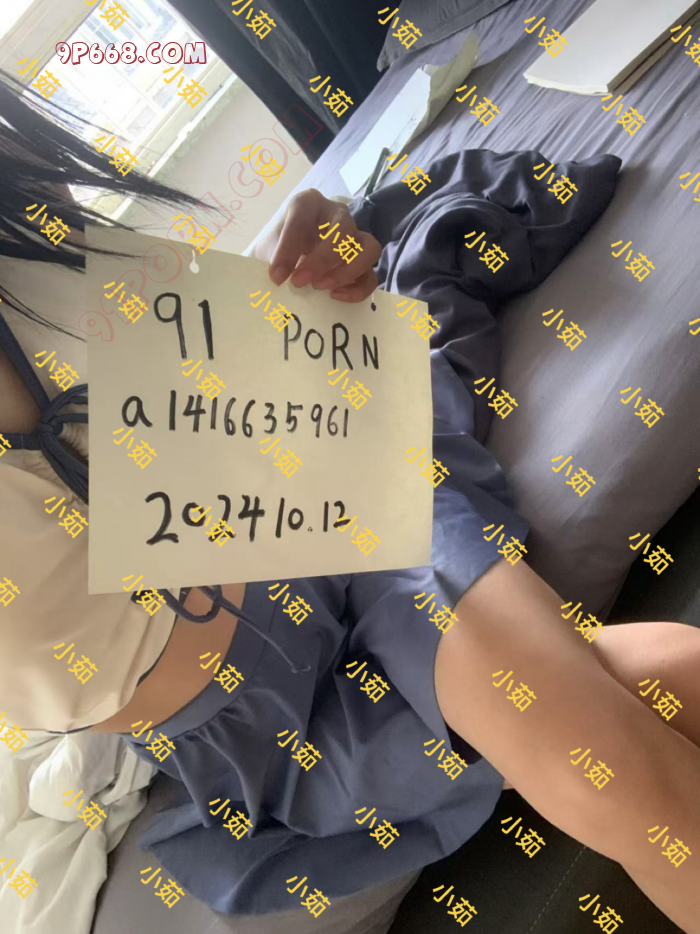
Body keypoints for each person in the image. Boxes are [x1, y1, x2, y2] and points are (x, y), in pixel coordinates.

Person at [1, 72, 699, 934]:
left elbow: (174, 367)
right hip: (253, 724)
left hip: (332, 504)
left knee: (606, 760)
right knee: (655, 687)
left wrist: (302, 266)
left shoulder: (19, 188)